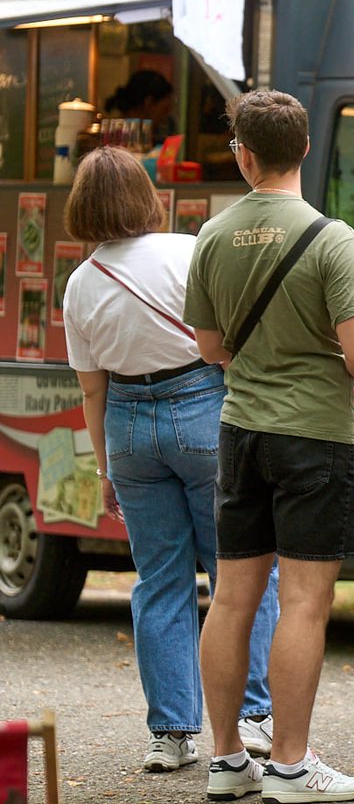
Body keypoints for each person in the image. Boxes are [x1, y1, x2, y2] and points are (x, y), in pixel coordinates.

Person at [186, 90, 354, 804]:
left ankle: (226, 759)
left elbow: (210, 348)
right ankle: (292, 768)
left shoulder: (213, 235)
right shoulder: (332, 239)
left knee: (231, 598)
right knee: (303, 603)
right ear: (303, 148)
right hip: (315, 438)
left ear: (243, 155)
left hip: (240, 431)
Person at [61, 148, 280, 776]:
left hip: (128, 426)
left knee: (159, 580)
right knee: (240, 570)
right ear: (145, 196)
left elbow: (92, 390)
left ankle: (170, 732)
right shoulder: (189, 251)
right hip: (202, 410)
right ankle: (253, 715)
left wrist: (106, 469)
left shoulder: (80, 284)